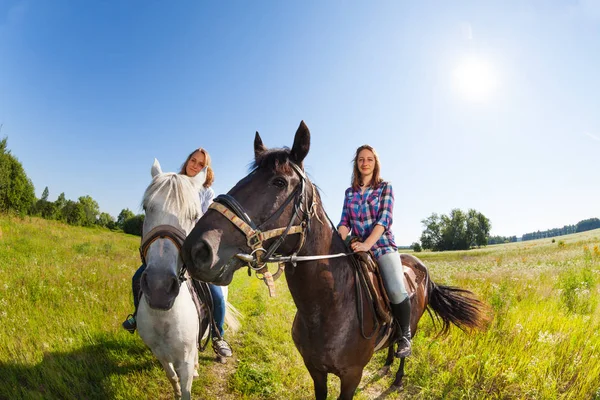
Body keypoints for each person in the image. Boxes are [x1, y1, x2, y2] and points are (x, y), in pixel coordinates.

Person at [122, 148, 233, 358]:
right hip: (170, 246)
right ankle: (137, 316)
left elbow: (204, 219)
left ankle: (218, 335)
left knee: (216, 294)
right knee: (138, 277)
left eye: (201, 164)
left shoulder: (205, 192)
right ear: (187, 160)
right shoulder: (171, 181)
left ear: (205, 170)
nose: (195, 165)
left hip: (192, 247)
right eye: (193, 160)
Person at [337, 144, 412, 358]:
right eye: (361, 159)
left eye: (369, 159)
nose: (365, 163)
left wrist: (367, 245)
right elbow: (344, 222)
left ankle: (404, 336)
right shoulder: (349, 192)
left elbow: (384, 220)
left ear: (375, 163)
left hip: (381, 245)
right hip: (356, 245)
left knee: (397, 289)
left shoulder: (385, 187)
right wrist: (339, 237)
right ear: (356, 164)